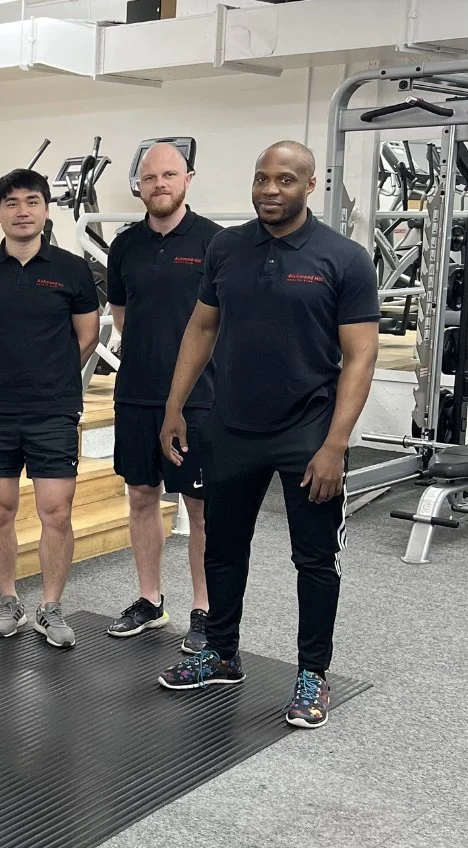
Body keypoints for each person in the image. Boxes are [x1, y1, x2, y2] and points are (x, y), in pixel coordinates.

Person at [156, 141, 380, 729]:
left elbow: (360, 357)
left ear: (309, 186)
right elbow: (202, 326)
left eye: (284, 179)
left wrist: (335, 445)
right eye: (261, 179)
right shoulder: (226, 247)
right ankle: (222, 652)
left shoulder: (344, 257)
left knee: (314, 560)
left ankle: (313, 673)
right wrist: (175, 405)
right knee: (223, 547)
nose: (269, 190)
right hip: (230, 425)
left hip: (308, 429)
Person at [0, 168, 101, 647]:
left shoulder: (71, 269)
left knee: (56, 512)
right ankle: (8, 601)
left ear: (46, 210)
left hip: (53, 411)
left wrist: (52, 376)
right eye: (12, 203)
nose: (22, 211)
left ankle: (50, 607)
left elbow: (88, 336)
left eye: (32, 201)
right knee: (0, 510)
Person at [105, 142, 222, 653]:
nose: (159, 184)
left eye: (169, 175)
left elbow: (224, 323)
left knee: (200, 507)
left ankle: (204, 608)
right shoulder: (125, 245)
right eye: (150, 177)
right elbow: (122, 315)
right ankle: (150, 600)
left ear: (188, 179)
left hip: (200, 397)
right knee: (141, 496)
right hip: (137, 393)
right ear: (139, 185)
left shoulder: (217, 242)